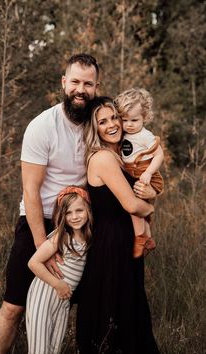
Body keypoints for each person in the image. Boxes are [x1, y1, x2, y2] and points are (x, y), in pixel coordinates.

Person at [0, 53, 100, 354]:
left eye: (88, 84)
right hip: (40, 221)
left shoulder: (98, 124)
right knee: (13, 306)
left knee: (68, 306)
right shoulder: (43, 126)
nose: (81, 89)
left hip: (79, 221)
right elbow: (31, 190)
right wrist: (43, 245)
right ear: (64, 83)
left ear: (96, 87)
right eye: (75, 81)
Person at [76, 96, 160, 353]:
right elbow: (132, 205)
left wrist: (151, 195)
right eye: (103, 121)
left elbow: (142, 191)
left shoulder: (121, 153)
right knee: (114, 308)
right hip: (111, 244)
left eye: (115, 117)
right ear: (94, 128)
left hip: (123, 240)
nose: (112, 124)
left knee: (128, 308)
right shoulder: (102, 158)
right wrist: (151, 208)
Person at [26, 186, 92, 354]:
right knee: (40, 347)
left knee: (55, 347)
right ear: (62, 216)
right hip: (45, 293)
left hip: (62, 300)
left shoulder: (89, 237)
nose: (74, 216)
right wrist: (57, 284)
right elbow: (33, 263)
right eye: (68, 213)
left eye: (79, 210)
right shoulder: (61, 236)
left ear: (88, 210)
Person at [114, 88, 164, 258]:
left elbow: (159, 154)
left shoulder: (145, 136)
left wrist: (149, 172)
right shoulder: (124, 134)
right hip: (132, 174)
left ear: (145, 117)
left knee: (134, 208)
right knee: (138, 209)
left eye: (134, 120)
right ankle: (148, 237)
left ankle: (140, 238)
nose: (129, 124)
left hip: (145, 175)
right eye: (124, 119)